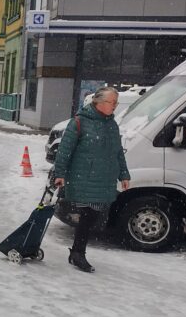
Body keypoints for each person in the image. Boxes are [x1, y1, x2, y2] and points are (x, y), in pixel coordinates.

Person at [51, 86, 130, 273]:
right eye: (112, 102)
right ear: (98, 102)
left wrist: (124, 174)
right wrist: (59, 174)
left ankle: (77, 252)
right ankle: (78, 253)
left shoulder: (112, 124)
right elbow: (64, 151)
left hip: (104, 179)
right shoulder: (79, 122)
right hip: (84, 178)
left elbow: (118, 152)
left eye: (116, 102)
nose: (115, 106)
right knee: (88, 216)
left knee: (92, 217)